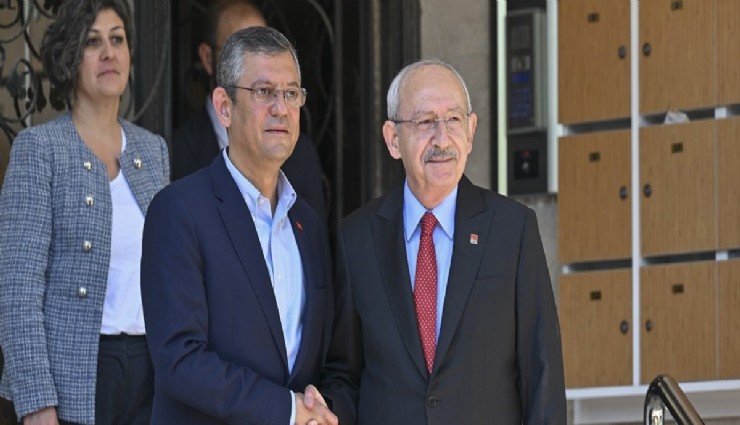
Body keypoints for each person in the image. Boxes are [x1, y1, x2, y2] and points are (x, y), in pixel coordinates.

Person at [317, 59, 567, 424]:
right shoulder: (357, 239)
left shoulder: (512, 229)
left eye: (453, 120)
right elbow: (346, 374)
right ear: (392, 139)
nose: (442, 139)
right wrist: (324, 410)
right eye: (425, 122)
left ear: (471, 131)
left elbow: (542, 372)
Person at [140, 26, 337, 425]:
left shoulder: (309, 226)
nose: (281, 108)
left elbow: (317, 360)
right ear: (224, 107)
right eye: (264, 91)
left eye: (292, 93)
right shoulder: (178, 211)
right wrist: (287, 410)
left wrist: (318, 407)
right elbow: (180, 359)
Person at [0, 0, 170, 424]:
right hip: (75, 375)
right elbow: (18, 289)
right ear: (69, 58)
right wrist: (37, 401)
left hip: (151, 371)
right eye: (93, 42)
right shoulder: (39, 150)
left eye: (118, 39)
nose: (109, 53)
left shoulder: (153, 150)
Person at [171, 0, 327, 219]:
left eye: (291, 93)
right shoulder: (174, 152)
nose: (280, 109)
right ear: (207, 58)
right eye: (238, 50)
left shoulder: (302, 155)